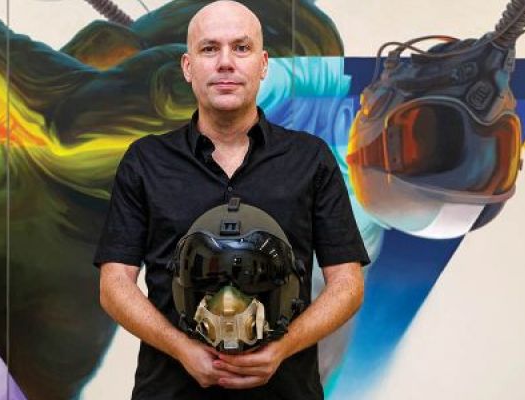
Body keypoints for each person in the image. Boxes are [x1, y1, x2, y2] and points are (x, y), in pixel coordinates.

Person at [94, 1, 370, 398]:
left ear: (263, 64)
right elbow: (114, 285)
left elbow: (347, 283)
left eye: (241, 48)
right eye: (209, 49)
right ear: (188, 67)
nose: (225, 63)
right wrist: (181, 348)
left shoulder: (311, 159)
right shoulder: (145, 161)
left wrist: (282, 348)